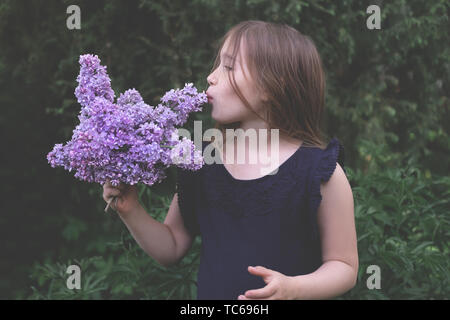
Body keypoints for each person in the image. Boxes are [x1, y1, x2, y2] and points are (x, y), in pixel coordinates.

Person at [103, 20, 358, 300]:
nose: (211, 77)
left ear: (271, 86)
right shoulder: (200, 162)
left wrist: (294, 289)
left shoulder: (320, 172)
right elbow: (171, 247)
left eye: (228, 66)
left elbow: (344, 266)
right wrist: (130, 209)